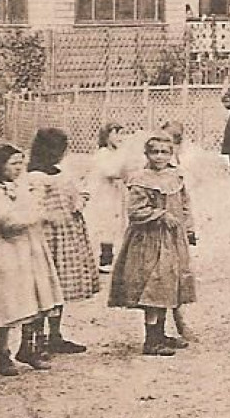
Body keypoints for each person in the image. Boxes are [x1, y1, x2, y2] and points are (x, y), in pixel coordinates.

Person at [0, 144, 63, 377]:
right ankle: (3, 353)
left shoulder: (20, 186)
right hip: (5, 253)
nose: (19, 168)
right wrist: (38, 215)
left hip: (27, 250)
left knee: (33, 298)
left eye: (21, 163)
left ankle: (27, 348)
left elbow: (30, 206)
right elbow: (7, 220)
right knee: (7, 304)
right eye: (14, 164)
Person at [109, 136, 196, 357]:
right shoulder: (141, 179)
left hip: (172, 239)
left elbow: (185, 205)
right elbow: (135, 211)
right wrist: (160, 215)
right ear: (147, 155)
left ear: (171, 154)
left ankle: (161, 334)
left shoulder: (176, 177)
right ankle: (151, 339)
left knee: (167, 284)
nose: (159, 157)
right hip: (148, 241)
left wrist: (189, 228)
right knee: (153, 286)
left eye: (164, 152)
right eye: (155, 152)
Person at [26, 127, 98, 353]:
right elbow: (36, 207)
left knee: (58, 287)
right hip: (49, 236)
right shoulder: (36, 178)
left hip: (65, 235)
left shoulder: (57, 173)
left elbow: (74, 199)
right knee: (44, 288)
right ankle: (40, 337)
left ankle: (54, 335)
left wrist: (80, 198)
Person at [85, 123, 132, 273]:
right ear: (106, 136)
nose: (119, 137)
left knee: (114, 224)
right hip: (103, 194)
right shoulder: (103, 153)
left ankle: (111, 256)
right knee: (106, 224)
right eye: (115, 133)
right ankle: (105, 259)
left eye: (120, 133)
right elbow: (112, 172)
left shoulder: (116, 153)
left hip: (114, 193)